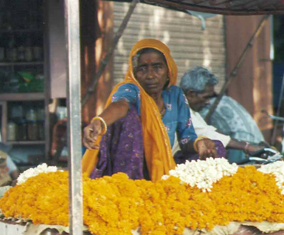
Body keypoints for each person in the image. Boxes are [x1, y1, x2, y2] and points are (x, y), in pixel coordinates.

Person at [82, 39, 220, 182]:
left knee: (217, 149)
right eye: (142, 69)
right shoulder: (131, 89)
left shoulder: (175, 95)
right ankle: (130, 187)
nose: (150, 75)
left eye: (157, 67)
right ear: (134, 73)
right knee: (129, 118)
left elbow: (186, 139)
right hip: (130, 168)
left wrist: (199, 144)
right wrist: (100, 121)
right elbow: (121, 104)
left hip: (163, 166)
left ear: (168, 70)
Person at [179, 67, 266, 162]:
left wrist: (246, 145)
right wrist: (247, 146)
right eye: (206, 97)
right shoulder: (180, 110)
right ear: (191, 94)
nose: (208, 102)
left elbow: (209, 130)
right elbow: (207, 133)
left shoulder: (193, 110)